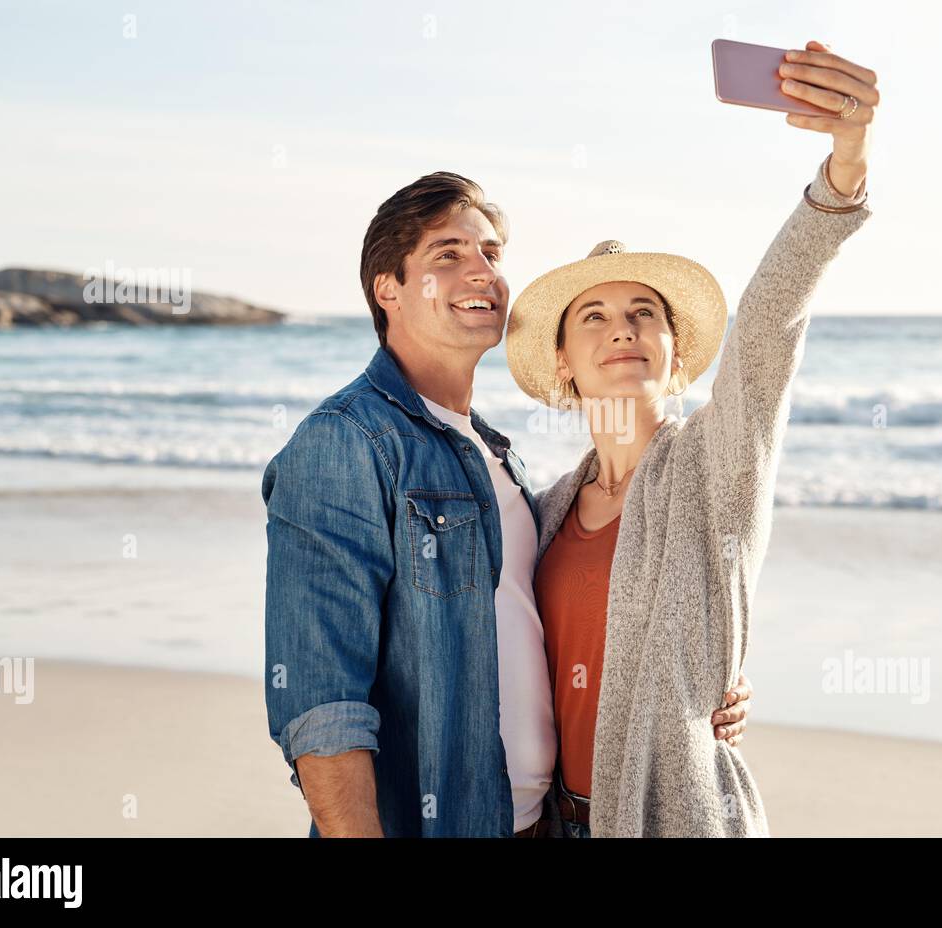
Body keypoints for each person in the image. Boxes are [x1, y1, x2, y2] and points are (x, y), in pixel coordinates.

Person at [262, 151, 751, 838]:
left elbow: (562, 625)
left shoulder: (505, 464)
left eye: (490, 252)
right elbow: (321, 707)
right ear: (388, 290)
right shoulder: (346, 440)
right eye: (448, 253)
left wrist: (700, 690)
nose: (481, 272)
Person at [506, 40, 878, 837]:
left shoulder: (717, 467)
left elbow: (769, 330)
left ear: (676, 352)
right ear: (565, 363)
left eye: (645, 313)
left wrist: (841, 174)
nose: (623, 331)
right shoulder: (539, 514)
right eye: (594, 318)